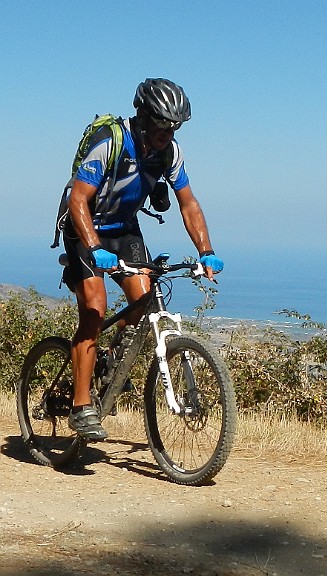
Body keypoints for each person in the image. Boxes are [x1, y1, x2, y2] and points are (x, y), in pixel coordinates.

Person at [62, 78, 223, 440]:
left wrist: (206, 251)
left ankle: (111, 361)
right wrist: (94, 247)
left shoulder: (169, 152)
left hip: (125, 228)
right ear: (145, 116)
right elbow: (77, 200)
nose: (169, 131)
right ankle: (81, 406)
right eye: (163, 123)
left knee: (144, 297)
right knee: (94, 310)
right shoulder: (112, 143)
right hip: (84, 225)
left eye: (175, 126)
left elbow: (188, 202)